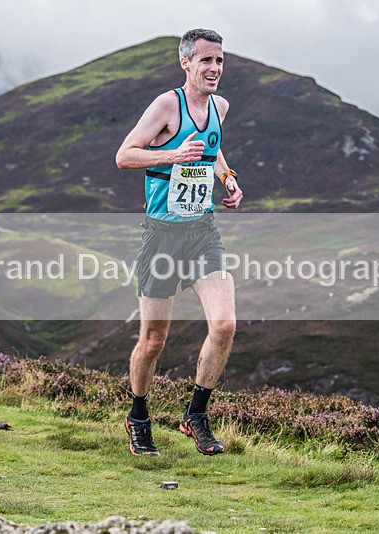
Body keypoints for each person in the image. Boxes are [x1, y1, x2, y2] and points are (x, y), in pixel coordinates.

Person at [115, 28, 242, 456]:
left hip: (202, 232)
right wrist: (171, 155)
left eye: (219, 60)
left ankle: (196, 415)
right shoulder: (167, 105)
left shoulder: (220, 107)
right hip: (161, 237)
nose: (214, 68)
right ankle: (138, 417)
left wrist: (227, 178)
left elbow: (212, 150)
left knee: (224, 325)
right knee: (153, 341)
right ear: (186, 63)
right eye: (206, 60)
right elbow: (125, 155)